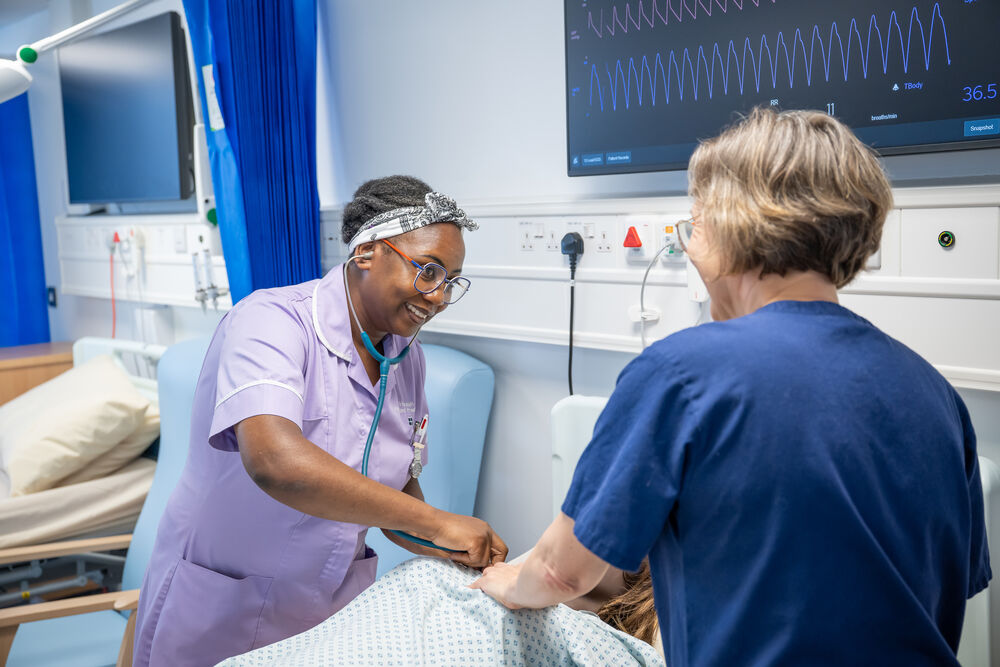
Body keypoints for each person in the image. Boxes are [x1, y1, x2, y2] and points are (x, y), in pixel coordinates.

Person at [471, 108, 991, 666]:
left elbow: (559, 571)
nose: (691, 246)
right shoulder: (935, 394)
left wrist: (502, 582)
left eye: (695, 222)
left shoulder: (680, 374)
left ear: (734, 225)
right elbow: (943, 590)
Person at [133, 175, 508, 666]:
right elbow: (274, 461)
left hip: (329, 613)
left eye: (451, 281)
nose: (438, 296)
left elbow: (397, 496)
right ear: (367, 252)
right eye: (428, 271)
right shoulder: (272, 321)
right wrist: (438, 522)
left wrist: (454, 548)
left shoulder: (405, 358)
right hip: (224, 604)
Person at [216, 557, 663, 666]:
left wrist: (523, 585)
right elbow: (563, 573)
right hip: (433, 599)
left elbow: (558, 576)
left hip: (493, 637)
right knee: (427, 573)